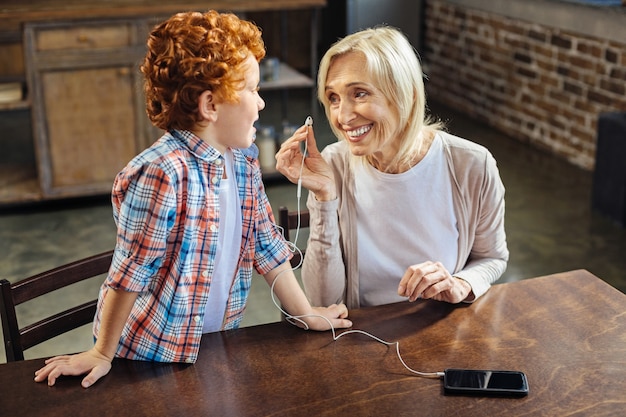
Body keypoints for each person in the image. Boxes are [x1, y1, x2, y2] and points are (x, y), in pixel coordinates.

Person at [34, 10, 351, 389]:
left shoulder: (244, 160)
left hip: (214, 345)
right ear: (210, 106)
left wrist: (306, 315)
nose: (261, 103)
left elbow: (264, 245)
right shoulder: (162, 173)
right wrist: (102, 353)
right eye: (252, 89)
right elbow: (131, 272)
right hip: (149, 357)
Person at [276, 26, 508, 309]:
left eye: (359, 93)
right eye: (333, 98)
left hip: (440, 328)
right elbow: (322, 300)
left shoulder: (471, 164)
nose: (342, 116)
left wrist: (461, 284)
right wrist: (325, 197)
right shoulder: (334, 162)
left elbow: (492, 258)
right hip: (362, 331)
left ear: (406, 95)